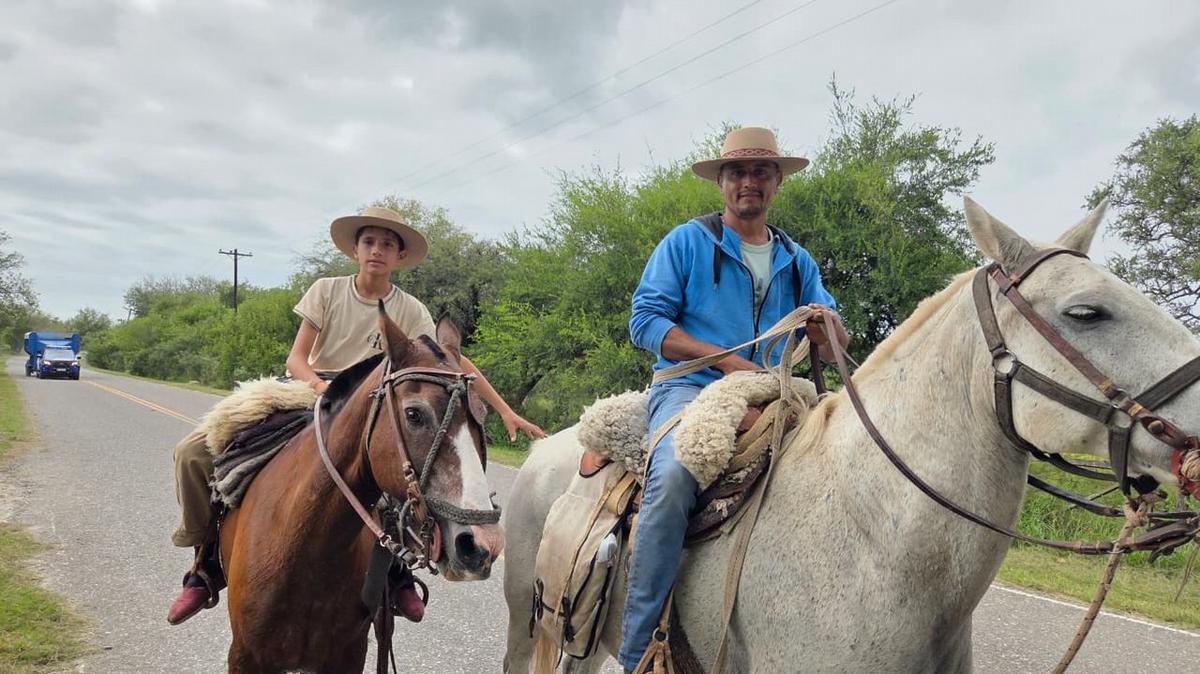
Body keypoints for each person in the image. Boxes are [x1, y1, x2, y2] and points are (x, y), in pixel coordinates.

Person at [167, 206, 545, 625]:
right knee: (193, 452)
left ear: (400, 257)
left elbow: (456, 363)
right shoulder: (327, 290)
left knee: (399, 475)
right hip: (312, 393)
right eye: (369, 242)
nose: (377, 250)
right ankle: (204, 564)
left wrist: (506, 411)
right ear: (355, 250)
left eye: (387, 244)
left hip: (373, 407)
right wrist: (320, 388)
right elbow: (297, 358)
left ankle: (396, 573)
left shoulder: (410, 308)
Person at [620, 127, 848, 671]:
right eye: (738, 173)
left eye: (761, 172)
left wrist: (826, 328)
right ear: (722, 183)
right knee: (675, 474)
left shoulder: (797, 259)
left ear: (777, 184)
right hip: (689, 385)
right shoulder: (686, 243)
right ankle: (638, 651)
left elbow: (837, 332)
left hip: (775, 391)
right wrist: (725, 359)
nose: (750, 182)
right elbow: (646, 322)